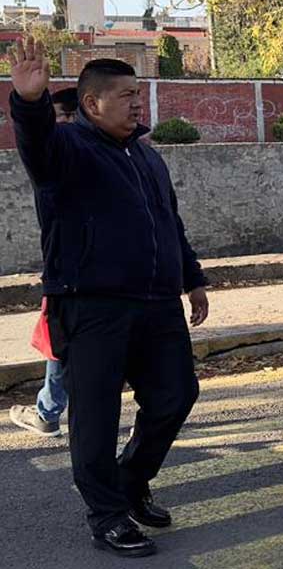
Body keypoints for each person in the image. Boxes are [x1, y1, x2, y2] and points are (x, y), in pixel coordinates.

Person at [8, 42, 209, 559]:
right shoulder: (69, 149)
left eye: (138, 94)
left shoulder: (146, 156)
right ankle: (107, 515)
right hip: (93, 306)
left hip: (158, 302)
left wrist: (192, 278)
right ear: (92, 104)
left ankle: (131, 480)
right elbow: (36, 144)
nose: (137, 105)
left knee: (177, 394)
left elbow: (170, 221)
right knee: (95, 417)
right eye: (125, 96)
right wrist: (30, 103)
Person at [9, 87, 79, 438]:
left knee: (61, 344)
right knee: (59, 343)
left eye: (57, 118)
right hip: (67, 276)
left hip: (75, 280)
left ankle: (48, 412)